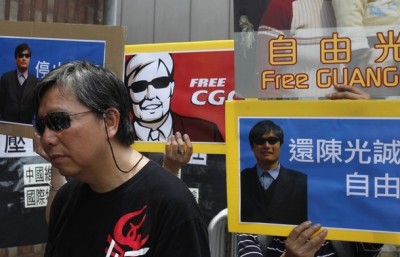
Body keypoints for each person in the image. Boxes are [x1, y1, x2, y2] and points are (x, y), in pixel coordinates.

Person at [33, 60, 210, 256]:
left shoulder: (171, 203)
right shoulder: (65, 200)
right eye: (41, 126)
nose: (47, 138)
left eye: (59, 121)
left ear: (110, 121)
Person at [125, 53, 224, 142]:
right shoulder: (115, 137)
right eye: (139, 86)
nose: (150, 95)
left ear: (172, 88)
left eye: (160, 83)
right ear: (127, 92)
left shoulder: (207, 133)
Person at [240, 119, 307, 225]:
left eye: (272, 140)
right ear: (252, 147)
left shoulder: (301, 182)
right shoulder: (239, 180)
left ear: (280, 144)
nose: (266, 145)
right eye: (260, 141)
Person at [0, 42, 38, 124]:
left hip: (26, 128)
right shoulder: (6, 78)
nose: (24, 58)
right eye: (21, 55)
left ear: (29, 59)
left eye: (27, 56)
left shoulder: (35, 81)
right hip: (6, 127)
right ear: (15, 59)